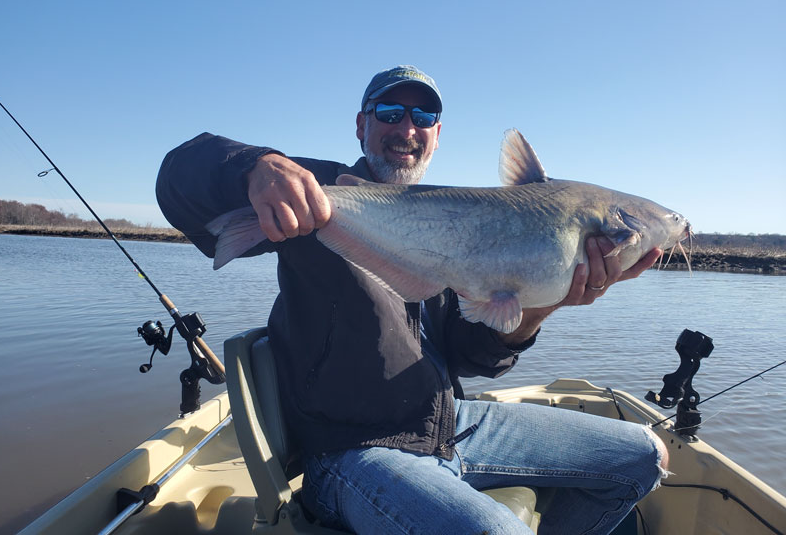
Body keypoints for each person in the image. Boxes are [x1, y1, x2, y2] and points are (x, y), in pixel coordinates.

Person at [156, 65, 668, 534]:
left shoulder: (452, 216)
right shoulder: (315, 192)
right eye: (390, 112)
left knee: (646, 455)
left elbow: (474, 355)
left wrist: (544, 305)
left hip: (451, 425)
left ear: (437, 136)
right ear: (362, 125)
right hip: (353, 452)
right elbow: (178, 178)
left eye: (424, 116)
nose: (407, 128)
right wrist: (257, 167)